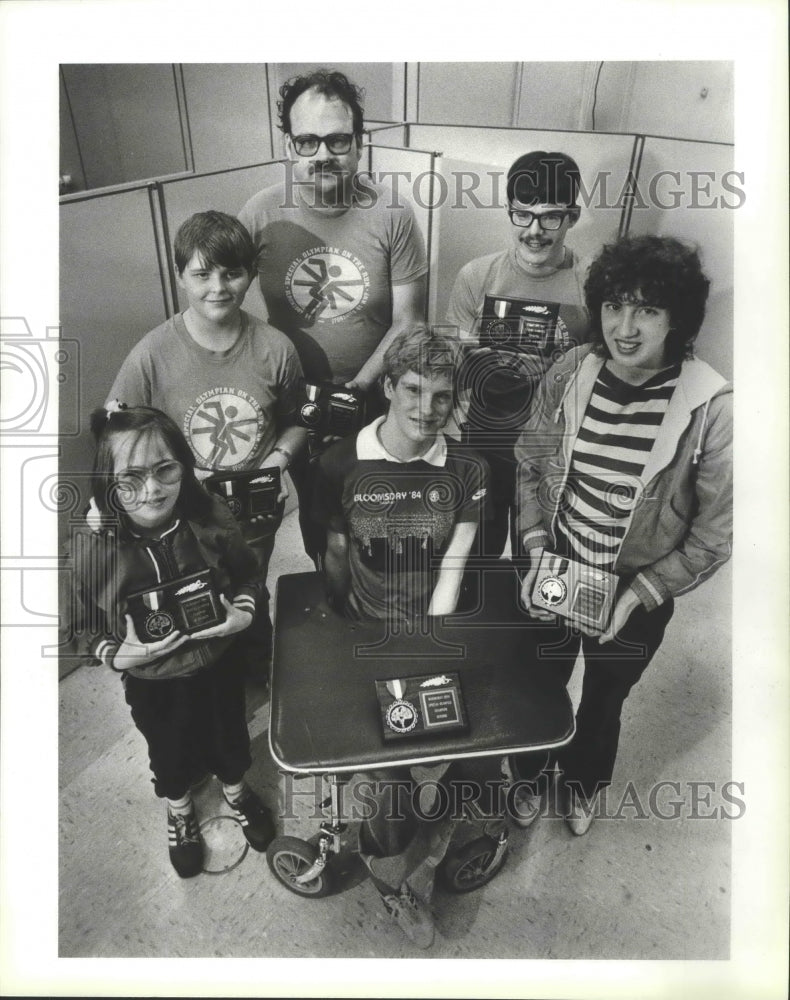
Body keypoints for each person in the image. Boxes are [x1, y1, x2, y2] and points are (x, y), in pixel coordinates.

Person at [511, 235, 732, 835]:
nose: (625, 328)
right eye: (614, 306)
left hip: (636, 587)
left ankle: (582, 783)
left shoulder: (711, 408)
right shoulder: (572, 371)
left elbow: (712, 539)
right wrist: (533, 551)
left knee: (604, 698)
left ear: (677, 319)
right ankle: (528, 772)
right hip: (555, 568)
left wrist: (637, 596)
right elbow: (530, 463)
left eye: (647, 310)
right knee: (539, 682)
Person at [311, 327, 489, 947]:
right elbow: (332, 553)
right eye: (412, 389)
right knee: (389, 784)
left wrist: (426, 648)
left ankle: (438, 848)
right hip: (366, 629)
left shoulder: (466, 468)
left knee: (449, 754)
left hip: (434, 631)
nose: (426, 409)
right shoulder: (339, 462)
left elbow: (457, 561)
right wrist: (348, 633)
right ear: (388, 386)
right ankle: (394, 881)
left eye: (443, 396)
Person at [61, 405, 276, 877]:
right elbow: (73, 624)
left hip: (219, 663)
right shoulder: (93, 549)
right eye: (131, 477)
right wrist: (119, 653)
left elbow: (246, 572)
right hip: (152, 681)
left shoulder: (209, 517)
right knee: (169, 752)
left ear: (185, 466)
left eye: (165, 469)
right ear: (107, 482)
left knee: (229, 735)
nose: (153, 489)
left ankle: (237, 790)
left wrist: (242, 614)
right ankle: (180, 809)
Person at [239, 68, 428, 562]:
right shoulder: (259, 215)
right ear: (287, 146)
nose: (322, 154)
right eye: (307, 141)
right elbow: (223, 315)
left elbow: (410, 320)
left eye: (337, 140)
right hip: (294, 406)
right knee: (318, 515)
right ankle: (330, 601)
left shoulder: (393, 213)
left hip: (376, 398)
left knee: (383, 512)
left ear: (359, 143)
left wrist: (355, 392)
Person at [107, 210, 306, 674]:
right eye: (201, 274)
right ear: (180, 277)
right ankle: (218, 685)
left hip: (255, 518)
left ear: (250, 276)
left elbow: (298, 422)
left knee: (251, 590)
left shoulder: (276, 349)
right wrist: (169, 469)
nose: (218, 287)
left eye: (232, 273)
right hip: (188, 523)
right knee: (201, 604)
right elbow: (111, 425)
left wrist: (278, 460)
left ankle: (261, 669)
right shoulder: (152, 354)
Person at [446, 151, 590, 558]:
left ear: (573, 217)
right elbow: (451, 366)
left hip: (553, 450)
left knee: (541, 560)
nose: (535, 230)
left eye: (550, 217)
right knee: (476, 557)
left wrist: (561, 363)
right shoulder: (477, 276)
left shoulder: (594, 285)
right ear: (509, 212)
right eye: (522, 214)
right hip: (485, 441)